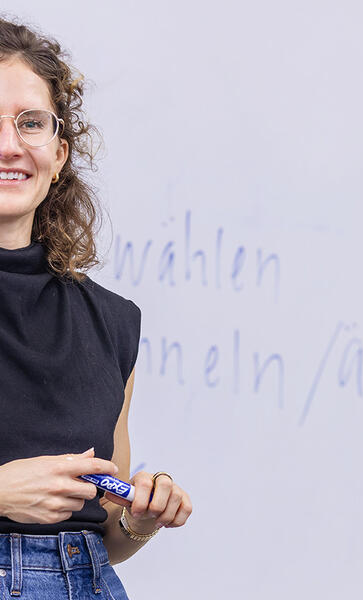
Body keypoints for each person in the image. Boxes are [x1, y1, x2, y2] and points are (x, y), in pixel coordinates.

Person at [0, 15, 192, 599]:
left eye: (29, 123)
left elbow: (107, 534)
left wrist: (140, 518)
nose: (9, 144)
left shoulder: (113, 322)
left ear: (59, 155)